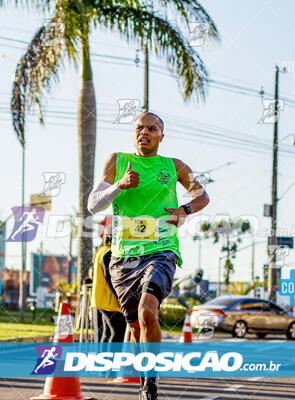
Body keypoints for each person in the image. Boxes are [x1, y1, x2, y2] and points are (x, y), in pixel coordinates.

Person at [88, 112, 210, 399]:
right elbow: (93, 205)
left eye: (151, 128)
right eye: (139, 128)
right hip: (123, 257)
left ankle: (150, 385)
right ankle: (145, 377)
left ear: (161, 136)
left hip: (161, 251)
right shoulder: (116, 161)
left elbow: (203, 195)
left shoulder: (174, 166)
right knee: (135, 325)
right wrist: (120, 185)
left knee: (147, 311)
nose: (144, 132)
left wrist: (185, 211)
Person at [91, 223, 126, 344]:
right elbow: (110, 278)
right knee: (118, 332)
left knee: (107, 333)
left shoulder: (101, 251)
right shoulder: (109, 253)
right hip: (109, 300)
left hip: (101, 299)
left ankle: (102, 361)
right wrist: (119, 297)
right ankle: (110, 361)